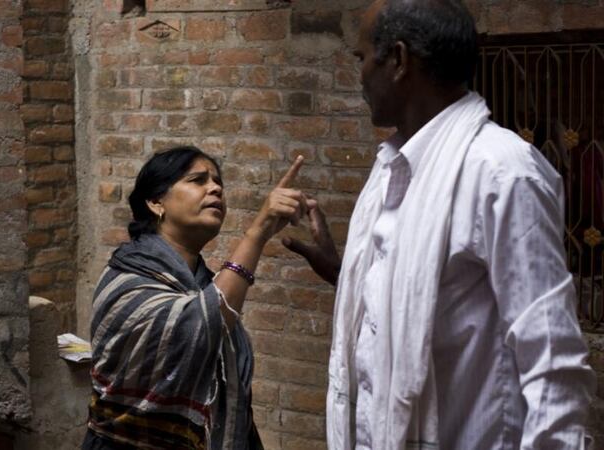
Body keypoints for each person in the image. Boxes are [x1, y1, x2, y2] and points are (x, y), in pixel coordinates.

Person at [282, 0, 596, 448]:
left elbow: (551, 357)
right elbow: (429, 297)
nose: (360, 75)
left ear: (398, 60)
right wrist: (345, 272)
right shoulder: (393, 164)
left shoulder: (501, 172)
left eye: (363, 58)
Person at [83, 146, 308, 450]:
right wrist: (257, 233)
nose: (215, 188)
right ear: (155, 202)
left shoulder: (201, 283)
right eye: (197, 180)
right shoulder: (128, 281)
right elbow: (198, 331)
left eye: (217, 182)